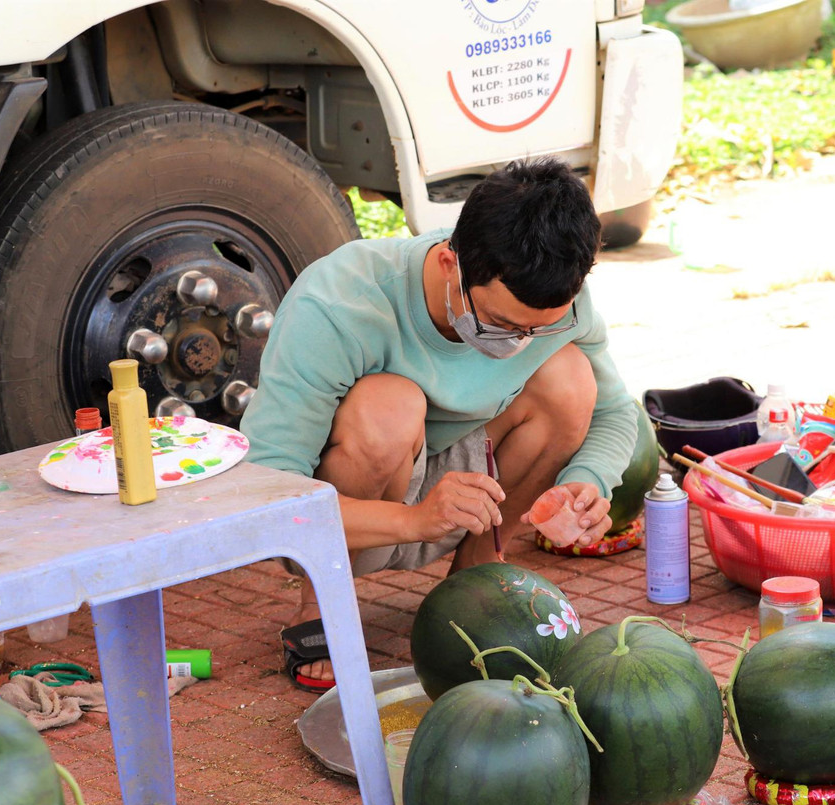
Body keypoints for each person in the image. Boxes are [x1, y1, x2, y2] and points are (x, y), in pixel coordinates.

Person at [240, 158, 638, 692]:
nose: (519, 341)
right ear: (451, 262)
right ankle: (323, 597)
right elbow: (268, 497)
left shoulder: (556, 300)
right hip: (348, 504)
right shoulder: (339, 302)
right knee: (389, 404)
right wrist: (414, 521)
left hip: (467, 485)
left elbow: (615, 412)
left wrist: (589, 480)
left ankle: (474, 579)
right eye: (500, 324)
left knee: (570, 378)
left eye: (536, 329)